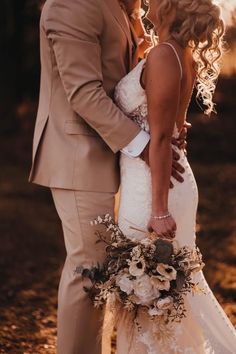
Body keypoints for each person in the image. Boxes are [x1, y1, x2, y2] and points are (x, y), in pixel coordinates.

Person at [29, 0, 188, 353]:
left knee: (103, 272)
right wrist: (147, 146)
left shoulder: (117, 6)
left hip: (117, 157)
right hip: (79, 156)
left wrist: (164, 121)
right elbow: (84, 93)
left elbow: (126, 83)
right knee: (89, 271)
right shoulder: (72, 5)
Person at [114, 0, 236, 353]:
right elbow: (171, 125)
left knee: (157, 291)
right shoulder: (170, 53)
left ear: (170, 8)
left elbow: (163, 136)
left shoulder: (165, 56)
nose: (149, 1)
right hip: (160, 177)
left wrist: (159, 209)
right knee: (166, 292)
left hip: (156, 187)